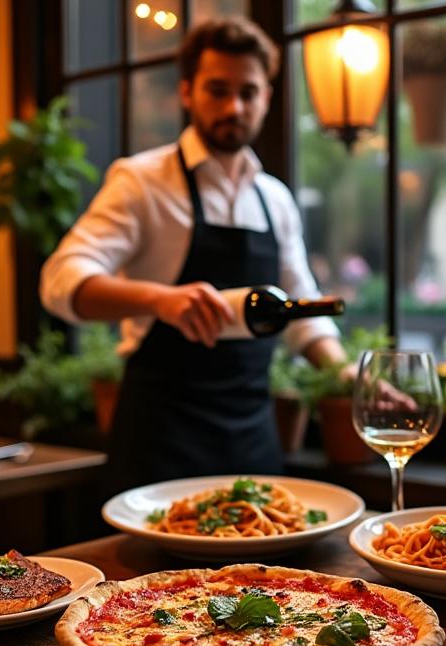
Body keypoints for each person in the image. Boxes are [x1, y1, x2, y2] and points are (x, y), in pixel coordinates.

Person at [40, 17, 346, 494]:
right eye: (217, 90)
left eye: (248, 92)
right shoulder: (141, 181)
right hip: (162, 440)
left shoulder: (275, 198)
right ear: (187, 92)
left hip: (253, 441)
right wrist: (159, 299)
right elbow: (61, 281)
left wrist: (347, 374)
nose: (234, 106)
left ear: (266, 96)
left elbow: (301, 309)